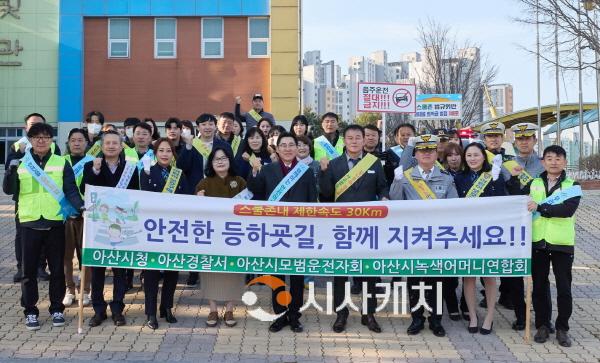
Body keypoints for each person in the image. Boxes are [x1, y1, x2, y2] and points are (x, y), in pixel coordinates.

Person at [3, 122, 83, 330]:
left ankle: (56, 308)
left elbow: (71, 190)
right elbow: (8, 190)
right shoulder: (20, 162)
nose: (41, 140)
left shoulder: (60, 162)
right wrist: (10, 172)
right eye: (36, 136)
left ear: (51, 140)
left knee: (57, 269)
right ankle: (30, 311)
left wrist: (81, 207)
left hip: (55, 222)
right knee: (28, 271)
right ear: (29, 140)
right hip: (28, 223)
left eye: (46, 137)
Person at [320, 125, 389, 334]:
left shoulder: (374, 163)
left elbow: (382, 187)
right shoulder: (333, 164)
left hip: (367, 227)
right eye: (350, 138)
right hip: (341, 227)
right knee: (341, 272)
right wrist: (323, 173)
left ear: (364, 140)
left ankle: (369, 314)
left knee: (368, 271)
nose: (354, 141)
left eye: (358, 138)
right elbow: (325, 195)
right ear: (344, 141)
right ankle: (341, 314)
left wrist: (385, 197)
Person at [247, 132, 318, 333]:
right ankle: (279, 314)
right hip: (275, 231)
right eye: (283, 145)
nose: (287, 148)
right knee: (277, 276)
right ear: (277, 149)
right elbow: (257, 191)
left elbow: (312, 200)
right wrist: (254, 172)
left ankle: (294, 315)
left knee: (296, 276)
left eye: (291, 145)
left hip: (299, 231)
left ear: (297, 148)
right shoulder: (268, 170)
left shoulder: (305, 171)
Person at [389, 134, 458, 338]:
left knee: (436, 280)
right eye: (422, 150)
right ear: (416, 154)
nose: (426, 153)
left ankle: (436, 320)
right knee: (415, 279)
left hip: (438, 237)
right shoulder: (407, 175)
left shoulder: (446, 178)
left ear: (437, 153)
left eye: (430, 150)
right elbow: (394, 200)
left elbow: (455, 206)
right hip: (414, 237)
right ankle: (417, 318)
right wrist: (397, 181)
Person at [81, 130, 140, 328]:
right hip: (99, 225)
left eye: (115, 143)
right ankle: (99, 310)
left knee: (119, 270)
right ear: (102, 146)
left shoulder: (130, 168)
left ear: (122, 146)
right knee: (97, 269)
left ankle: (117, 309)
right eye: (108, 143)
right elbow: (85, 190)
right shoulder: (92, 165)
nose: (112, 146)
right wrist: (95, 172)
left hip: (121, 225)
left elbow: (135, 195)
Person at [527, 145, 581, 347]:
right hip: (538, 241)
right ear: (543, 162)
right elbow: (520, 202)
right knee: (539, 286)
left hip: (562, 243)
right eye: (549, 158)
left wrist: (541, 207)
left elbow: (567, 210)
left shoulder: (572, 185)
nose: (554, 161)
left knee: (564, 288)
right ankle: (542, 324)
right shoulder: (533, 183)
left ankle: (562, 328)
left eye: (558, 158)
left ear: (565, 161)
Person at [454, 142, 506, 335]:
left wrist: (498, 178)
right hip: (466, 232)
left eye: (476, 155)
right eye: (469, 156)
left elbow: (503, 202)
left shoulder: (494, 176)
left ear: (484, 157)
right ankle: (473, 316)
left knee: (489, 275)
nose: (472, 158)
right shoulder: (459, 178)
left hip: (488, 232)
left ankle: (490, 316)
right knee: (468, 276)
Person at [140, 138, 190, 329]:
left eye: (168, 151)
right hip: (153, 229)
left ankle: (167, 308)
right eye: (160, 150)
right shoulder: (147, 172)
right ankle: (151, 312)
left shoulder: (178, 174)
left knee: (172, 271)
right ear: (155, 153)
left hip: (174, 229)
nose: (164, 154)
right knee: (151, 272)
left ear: (173, 154)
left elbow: (186, 200)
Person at [5, 113, 60, 283]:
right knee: (21, 234)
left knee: (45, 235)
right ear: (26, 128)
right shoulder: (16, 146)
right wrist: (19, 154)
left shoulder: (53, 146)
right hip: (25, 199)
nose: (35, 128)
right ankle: (22, 267)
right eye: (32, 125)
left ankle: (40, 268)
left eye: (39, 125)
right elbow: (9, 168)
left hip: (48, 198)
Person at [195, 147, 247, 328]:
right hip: (212, 236)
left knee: (233, 271)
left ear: (230, 160)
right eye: (216, 159)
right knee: (211, 271)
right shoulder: (203, 183)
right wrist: (198, 201)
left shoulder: (240, 181)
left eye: (224, 158)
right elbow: (196, 212)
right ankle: (213, 309)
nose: (220, 161)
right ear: (211, 163)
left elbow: (247, 207)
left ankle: (230, 308)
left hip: (235, 235)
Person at [507, 122, 548, 331]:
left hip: (538, 227)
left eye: (528, 138)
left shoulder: (544, 165)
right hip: (513, 227)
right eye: (520, 138)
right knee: (514, 277)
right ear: (515, 141)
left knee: (540, 277)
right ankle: (521, 315)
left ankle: (543, 319)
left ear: (535, 140)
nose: (524, 142)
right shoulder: (506, 164)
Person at [480, 121, 521, 310]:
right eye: (490, 136)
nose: (494, 139)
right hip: (484, 214)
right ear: (484, 139)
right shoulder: (478, 157)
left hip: (506, 215)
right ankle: (486, 292)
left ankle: (507, 294)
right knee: (484, 255)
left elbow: (516, 188)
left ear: (503, 137)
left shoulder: (511, 159)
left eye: (497, 135)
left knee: (505, 255)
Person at [62, 128, 92, 307]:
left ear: (86, 143)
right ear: (68, 142)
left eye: (80, 140)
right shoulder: (60, 162)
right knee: (66, 255)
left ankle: (85, 290)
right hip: (65, 214)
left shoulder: (93, 162)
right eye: (73, 140)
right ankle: (69, 289)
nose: (76, 143)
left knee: (85, 255)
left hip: (86, 214)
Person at [164, 117, 204, 190]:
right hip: (165, 188)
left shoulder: (189, 147)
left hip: (185, 190)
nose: (172, 131)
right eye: (169, 128)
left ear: (181, 130)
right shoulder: (160, 149)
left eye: (175, 128)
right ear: (165, 131)